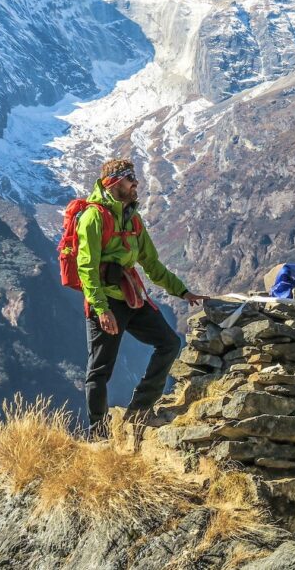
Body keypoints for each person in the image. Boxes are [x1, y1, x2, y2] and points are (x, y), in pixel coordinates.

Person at [76, 159, 207, 436]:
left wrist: (181, 290)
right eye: (128, 179)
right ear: (113, 183)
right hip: (107, 302)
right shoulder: (93, 217)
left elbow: (151, 263)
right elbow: (86, 267)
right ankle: (98, 434)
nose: (136, 184)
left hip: (131, 297)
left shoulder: (133, 218)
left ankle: (139, 409)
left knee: (170, 343)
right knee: (100, 370)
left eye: (134, 178)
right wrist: (101, 309)